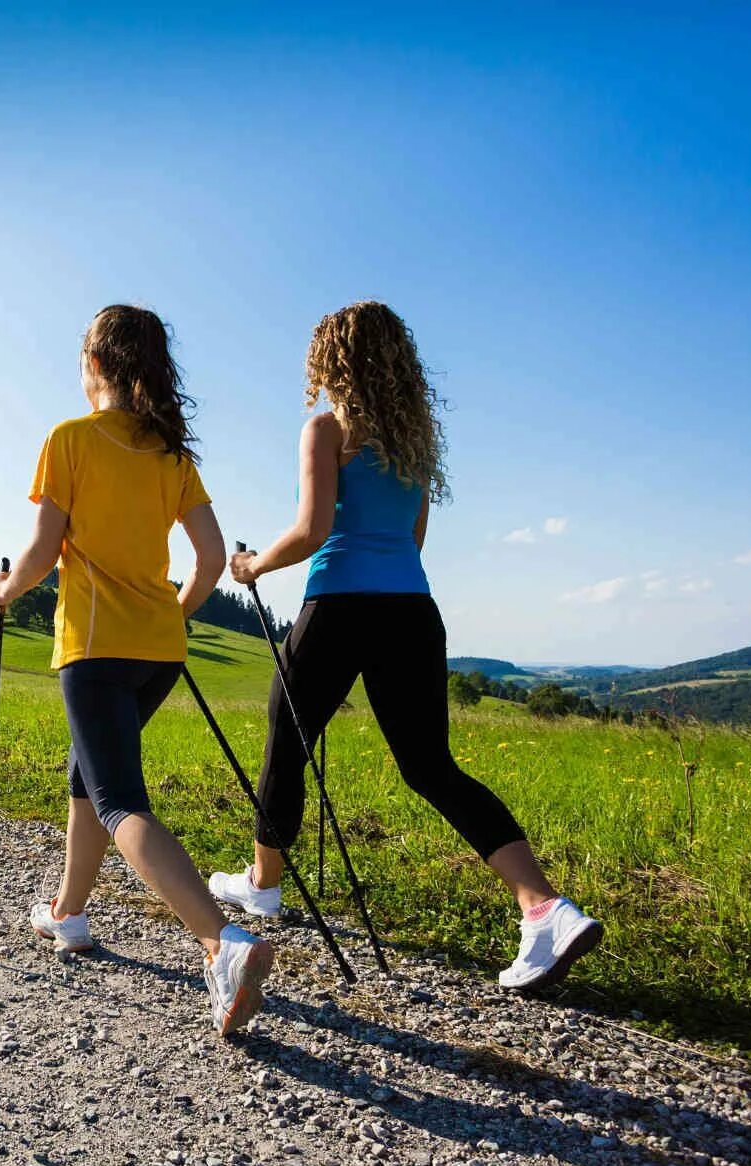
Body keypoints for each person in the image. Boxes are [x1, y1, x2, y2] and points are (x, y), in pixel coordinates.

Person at [217, 300, 602, 993]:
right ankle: (543, 906)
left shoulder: (326, 430)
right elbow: (413, 538)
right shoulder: (413, 442)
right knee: (431, 767)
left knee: (285, 734)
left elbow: (310, 530)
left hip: (337, 603)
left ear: (331, 361)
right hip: (412, 609)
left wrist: (251, 568)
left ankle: (263, 887)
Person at [0, 304, 275, 1035]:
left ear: (98, 363)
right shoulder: (174, 455)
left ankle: (223, 944)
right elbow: (210, 560)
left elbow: (44, 551)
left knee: (119, 801)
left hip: (94, 647)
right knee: (86, 777)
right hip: (160, 650)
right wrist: (174, 612)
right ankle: (69, 914)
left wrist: (5, 590)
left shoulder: (69, 439)